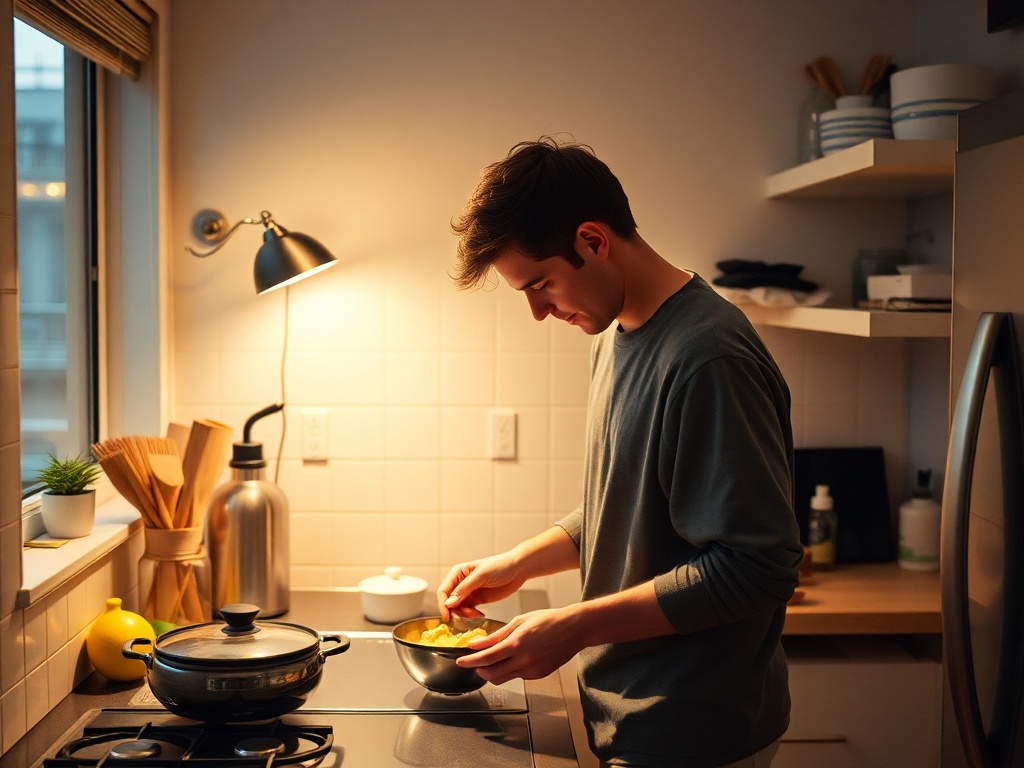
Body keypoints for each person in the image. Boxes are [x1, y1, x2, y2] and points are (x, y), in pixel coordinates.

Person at [439, 136, 803, 768]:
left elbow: (757, 569)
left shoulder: (707, 358)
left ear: (594, 240)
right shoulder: (617, 335)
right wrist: (519, 562)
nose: (536, 312)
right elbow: (634, 501)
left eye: (540, 283)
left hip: (693, 732)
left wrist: (574, 625)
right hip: (631, 716)